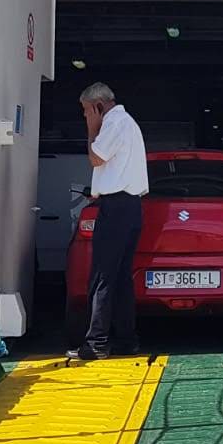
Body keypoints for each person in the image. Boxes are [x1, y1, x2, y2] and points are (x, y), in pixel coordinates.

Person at [68, 82, 148, 362]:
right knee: (121, 278)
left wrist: (92, 129)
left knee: (101, 276)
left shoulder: (114, 123)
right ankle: (126, 340)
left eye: (87, 111)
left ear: (99, 106)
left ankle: (96, 342)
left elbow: (95, 157)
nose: (85, 117)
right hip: (132, 207)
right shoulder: (128, 123)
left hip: (115, 206)